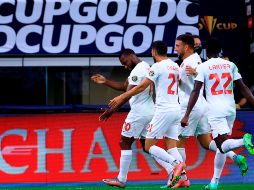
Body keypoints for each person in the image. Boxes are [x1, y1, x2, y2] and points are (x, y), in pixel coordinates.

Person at [173, 34, 247, 188]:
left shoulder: (196, 62)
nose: (176, 48)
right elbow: (243, 87)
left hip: (193, 106)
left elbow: (195, 86)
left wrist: (186, 113)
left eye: (178, 45)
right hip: (211, 107)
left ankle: (182, 178)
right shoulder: (225, 64)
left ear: (187, 46)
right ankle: (234, 158)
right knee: (207, 142)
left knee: (177, 141)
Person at [109, 41, 186, 188]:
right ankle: (182, 179)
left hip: (163, 110)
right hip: (176, 108)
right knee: (171, 146)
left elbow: (142, 86)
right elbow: (180, 83)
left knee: (149, 146)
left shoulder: (156, 66)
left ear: (153, 52)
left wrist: (121, 97)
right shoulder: (175, 65)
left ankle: (177, 165)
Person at [91, 49, 155, 188]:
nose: (125, 66)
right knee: (147, 147)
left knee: (124, 142)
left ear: (132, 55)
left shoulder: (138, 70)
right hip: (150, 111)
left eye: (125, 62)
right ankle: (174, 169)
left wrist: (110, 110)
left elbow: (127, 94)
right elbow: (125, 87)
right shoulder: (144, 66)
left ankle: (121, 179)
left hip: (138, 113)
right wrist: (105, 81)